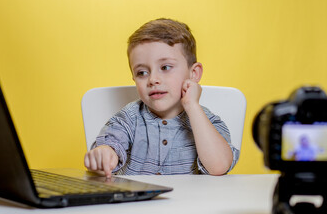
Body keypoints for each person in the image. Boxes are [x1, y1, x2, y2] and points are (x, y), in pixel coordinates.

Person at [84, 18, 239, 177]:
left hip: (191, 202)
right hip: (140, 202)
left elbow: (219, 166)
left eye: (165, 67)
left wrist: (192, 106)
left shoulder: (207, 121)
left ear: (193, 74)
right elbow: (111, 144)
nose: (153, 80)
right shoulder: (128, 119)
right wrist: (104, 153)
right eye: (142, 73)